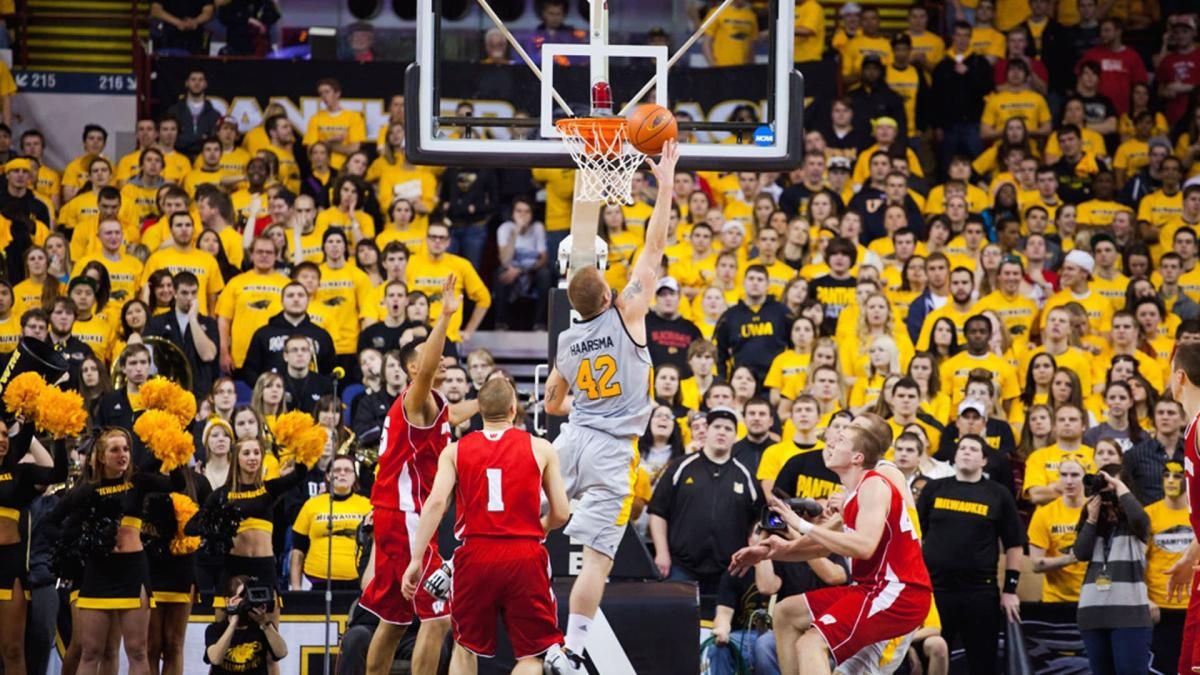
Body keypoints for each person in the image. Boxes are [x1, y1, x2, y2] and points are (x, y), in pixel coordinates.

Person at [541, 140, 678, 672]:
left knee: (526, 519)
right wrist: (664, 185)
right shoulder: (629, 314)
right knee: (596, 559)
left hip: (571, 439)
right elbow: (654, 245)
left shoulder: (566, 344)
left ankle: (459, 566)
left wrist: (581, 405)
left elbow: (553, 405)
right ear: (609, 297)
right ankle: (572, 651)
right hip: (614, 450)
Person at [728, 421, 932, 675]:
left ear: (858, 457)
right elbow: (819, 546)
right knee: (786, 613)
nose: (832, 441)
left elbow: (865, 547)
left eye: (842, 439)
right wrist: (772, 551)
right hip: (871, 589)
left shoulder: (878, 480)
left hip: (897, 592)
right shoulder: (854, 492)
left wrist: (801, 523)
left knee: (811, 643)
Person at [400, 377, 571, 674]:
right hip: (525, 556)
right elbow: (561, 513)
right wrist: (538, 530)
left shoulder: (455, 450)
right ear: (514, 408)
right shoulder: (540, 447)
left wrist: (416, 560)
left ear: (479, 409)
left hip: (474, 556)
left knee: (465, 647)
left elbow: (436, 504)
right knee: (535, 655)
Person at [361, 275, 478, 675]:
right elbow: (428, 365)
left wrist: (500, 399)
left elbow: (461, 412)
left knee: (394, 620)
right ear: (414, 368)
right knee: (439, 616)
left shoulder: (436, 406)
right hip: (405, 515)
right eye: (432, 356)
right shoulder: (417, 396)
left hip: (397, 514)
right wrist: (443, 317)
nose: (442, 359)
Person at [49, 428, 183, 675]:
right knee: (90, 652)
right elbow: (51, 522)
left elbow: (178, 485)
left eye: (126, 449)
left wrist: (173, 452)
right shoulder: (87, 491)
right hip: (98, 573)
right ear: (101, 457)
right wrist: (81, 544)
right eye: (114, 449)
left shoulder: (139, 481)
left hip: (133, 571)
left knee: (137, 650)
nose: (122, 454)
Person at [916, 434, 1023, 675]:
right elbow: (915, 537)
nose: (966, 452)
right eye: (962, 447)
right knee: (929, 658)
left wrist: (1010, 590)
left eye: (973, 449)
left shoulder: (998, 494)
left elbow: (1014, 544)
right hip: (935, 591)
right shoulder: (934, 488)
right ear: (954, 456)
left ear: (984, 460)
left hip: (979, 593)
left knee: (982, 663)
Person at [648, 407, 760, 592]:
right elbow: (657, 512)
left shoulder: (745, 474)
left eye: (728, 429)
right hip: (680, 566)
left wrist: (752, 549)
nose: (722, 432)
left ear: (735, 437)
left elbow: (759, 520)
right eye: (717, 427)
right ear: (706, 431)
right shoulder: (681, 466)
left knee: (724, 621)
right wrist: (662, 553)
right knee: (677, 620)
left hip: (730, 569)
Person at [1073, 463, 1153, 674]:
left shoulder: (1135, 527)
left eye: (1114, 487)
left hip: (1130, 615)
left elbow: (1139, 518)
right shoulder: (1094, 523)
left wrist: (1118, 485)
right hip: (1092, 614)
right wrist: (1091, 518)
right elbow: (1081, 553)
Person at [289, 455, 372, 591]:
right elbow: (298, 551)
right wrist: (296, 587)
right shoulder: (311, 505)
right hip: (315, 581)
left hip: (357, 581)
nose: (342, 473)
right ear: (328, 476)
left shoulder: (367, 506)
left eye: (347, 470)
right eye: (337, 470)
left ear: (354, 476)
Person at [145, 271, 219, 399]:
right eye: (184, 293)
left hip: (200, 392)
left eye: (194, 293)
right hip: (167, 392)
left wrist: (193, 319)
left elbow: (208, 355)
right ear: (174, 293)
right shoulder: (157, 322)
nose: (190, 298)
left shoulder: (209, 323)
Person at [204, 575, 288, 673]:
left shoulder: (262, 628)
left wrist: (264, 622)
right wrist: (232, 624)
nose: (245, 601)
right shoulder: (215, 629)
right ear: (228, 600)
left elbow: (281, 653)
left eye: (248, 596)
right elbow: (215, 659)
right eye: (241, 596)